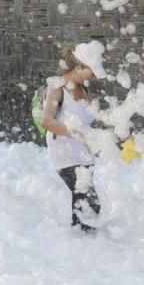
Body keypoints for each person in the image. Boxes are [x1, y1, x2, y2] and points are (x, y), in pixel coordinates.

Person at [41, 44, 103, 231]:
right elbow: (47, 121)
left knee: (82, 201)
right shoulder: (57, 88)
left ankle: (79, 240)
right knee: (88, 202)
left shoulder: (85, 90)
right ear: (78, 68)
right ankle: (86, 241)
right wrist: (77, 133)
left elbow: (96, 119)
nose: (95, 76)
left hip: (83, 153)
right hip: (64, 153)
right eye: (91, 72)